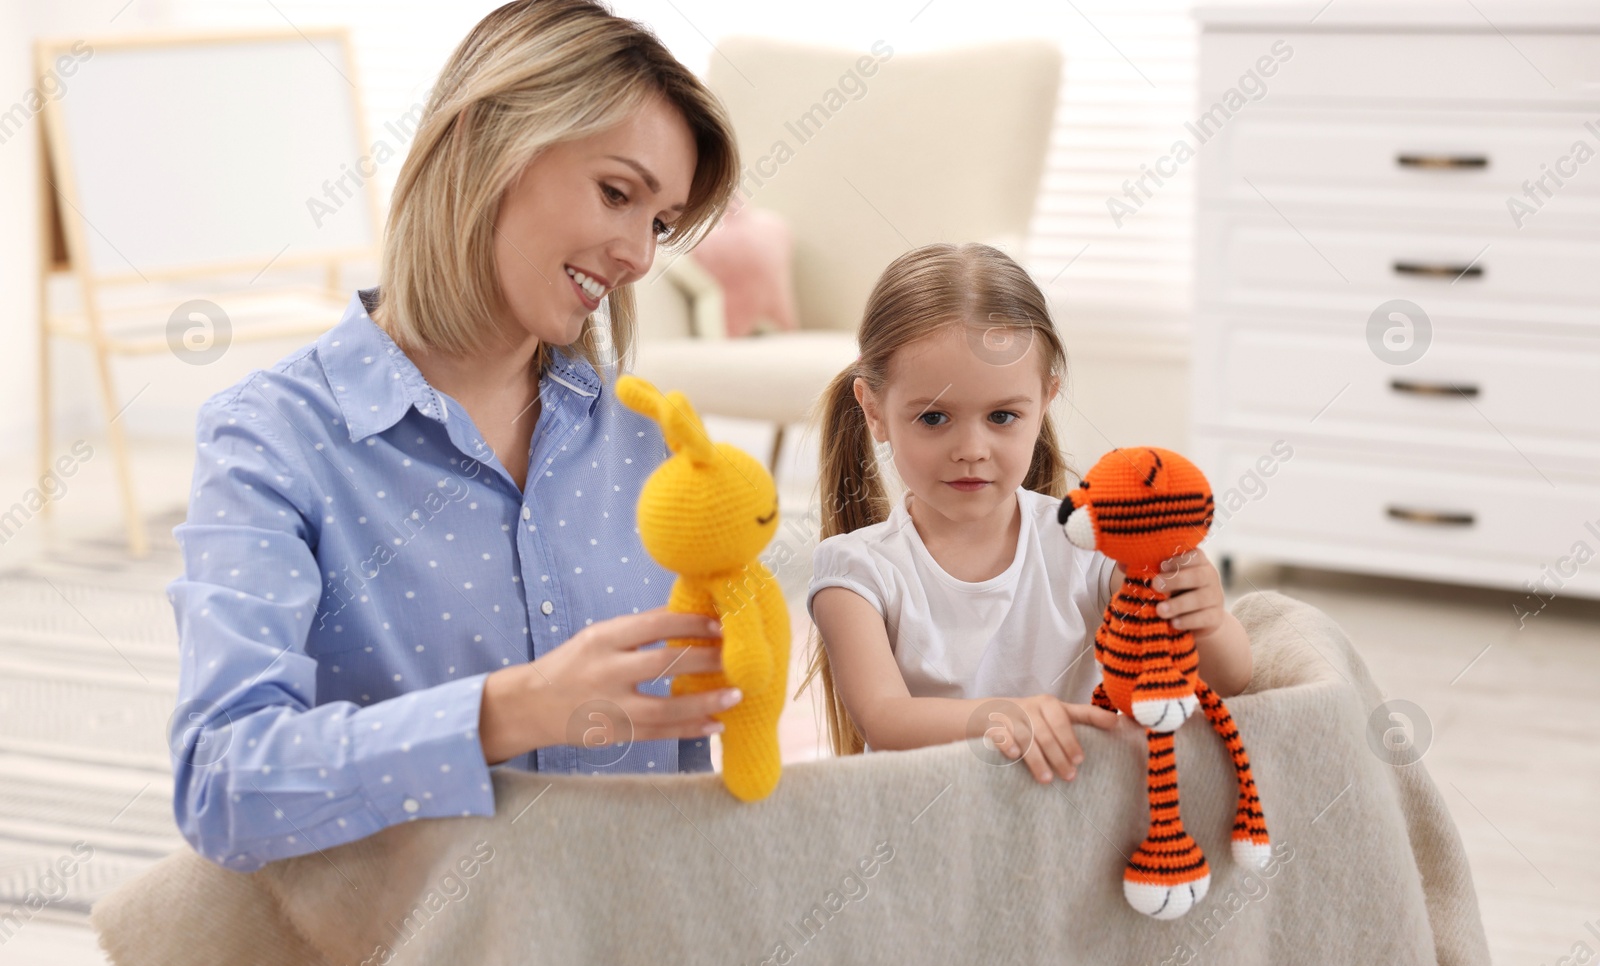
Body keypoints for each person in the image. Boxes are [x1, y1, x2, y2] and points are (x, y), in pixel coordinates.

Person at [166, 0, 743, 872]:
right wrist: (513, 709)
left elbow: (687, 775)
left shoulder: (644, 448)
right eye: (617, 193)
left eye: (658, 222)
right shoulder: (274, 441)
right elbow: (222, 783)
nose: (639, 255)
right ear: (485, 144)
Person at [802, 244, 1253, 784]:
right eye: (934, 417)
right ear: (874, 410)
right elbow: (887, 718)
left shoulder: (1091, 549)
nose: (971, 447)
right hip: (928, 834)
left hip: (1064, 823)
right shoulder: (855, 570)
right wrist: (1007, 717)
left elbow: (1230, 679)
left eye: (1001, 416)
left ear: (1043, 403)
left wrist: (1206, 618)